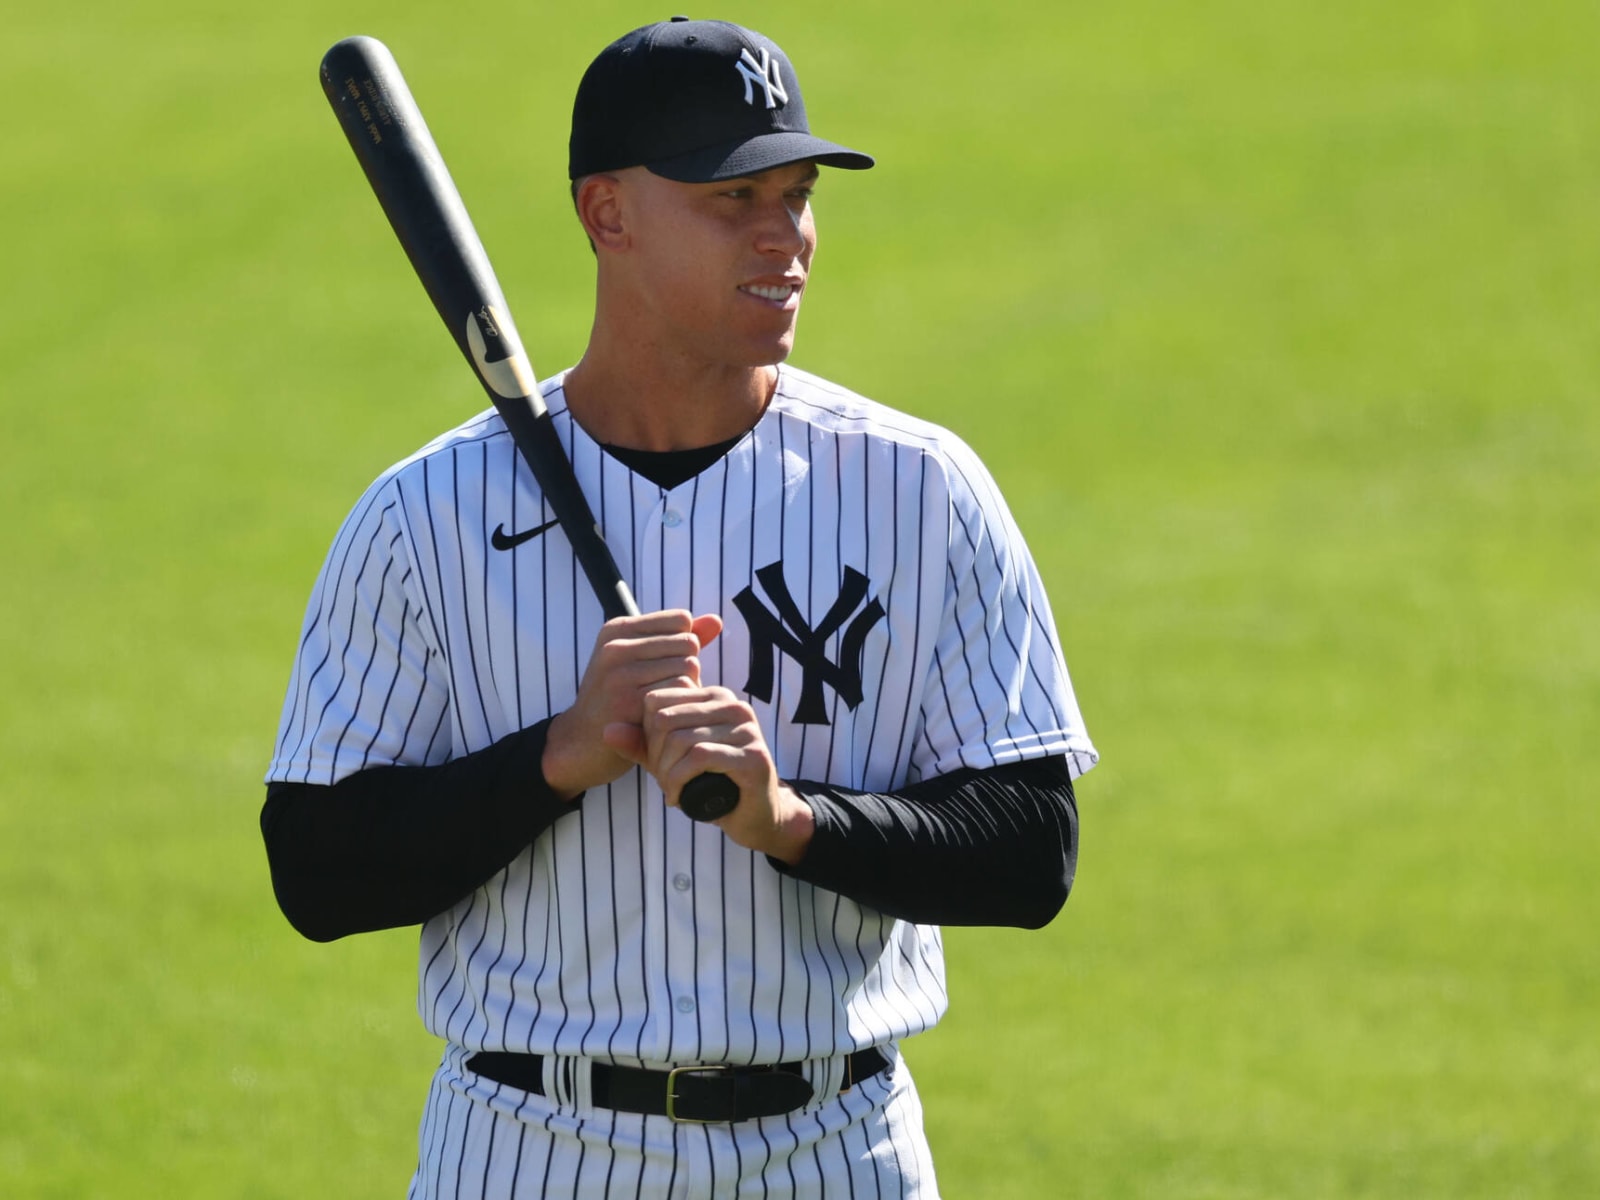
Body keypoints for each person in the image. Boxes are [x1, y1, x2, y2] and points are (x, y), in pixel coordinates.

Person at [262, 16, 1098, 1198]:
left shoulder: (920, 491)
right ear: (608, 214)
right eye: (733, 201)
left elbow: (1031, 850)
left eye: (798, 196)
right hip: (529, 1150)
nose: (786, 239)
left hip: (835, 1148)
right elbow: (315, 870)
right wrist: (559, 755)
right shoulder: (426, 516)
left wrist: (793, 822)